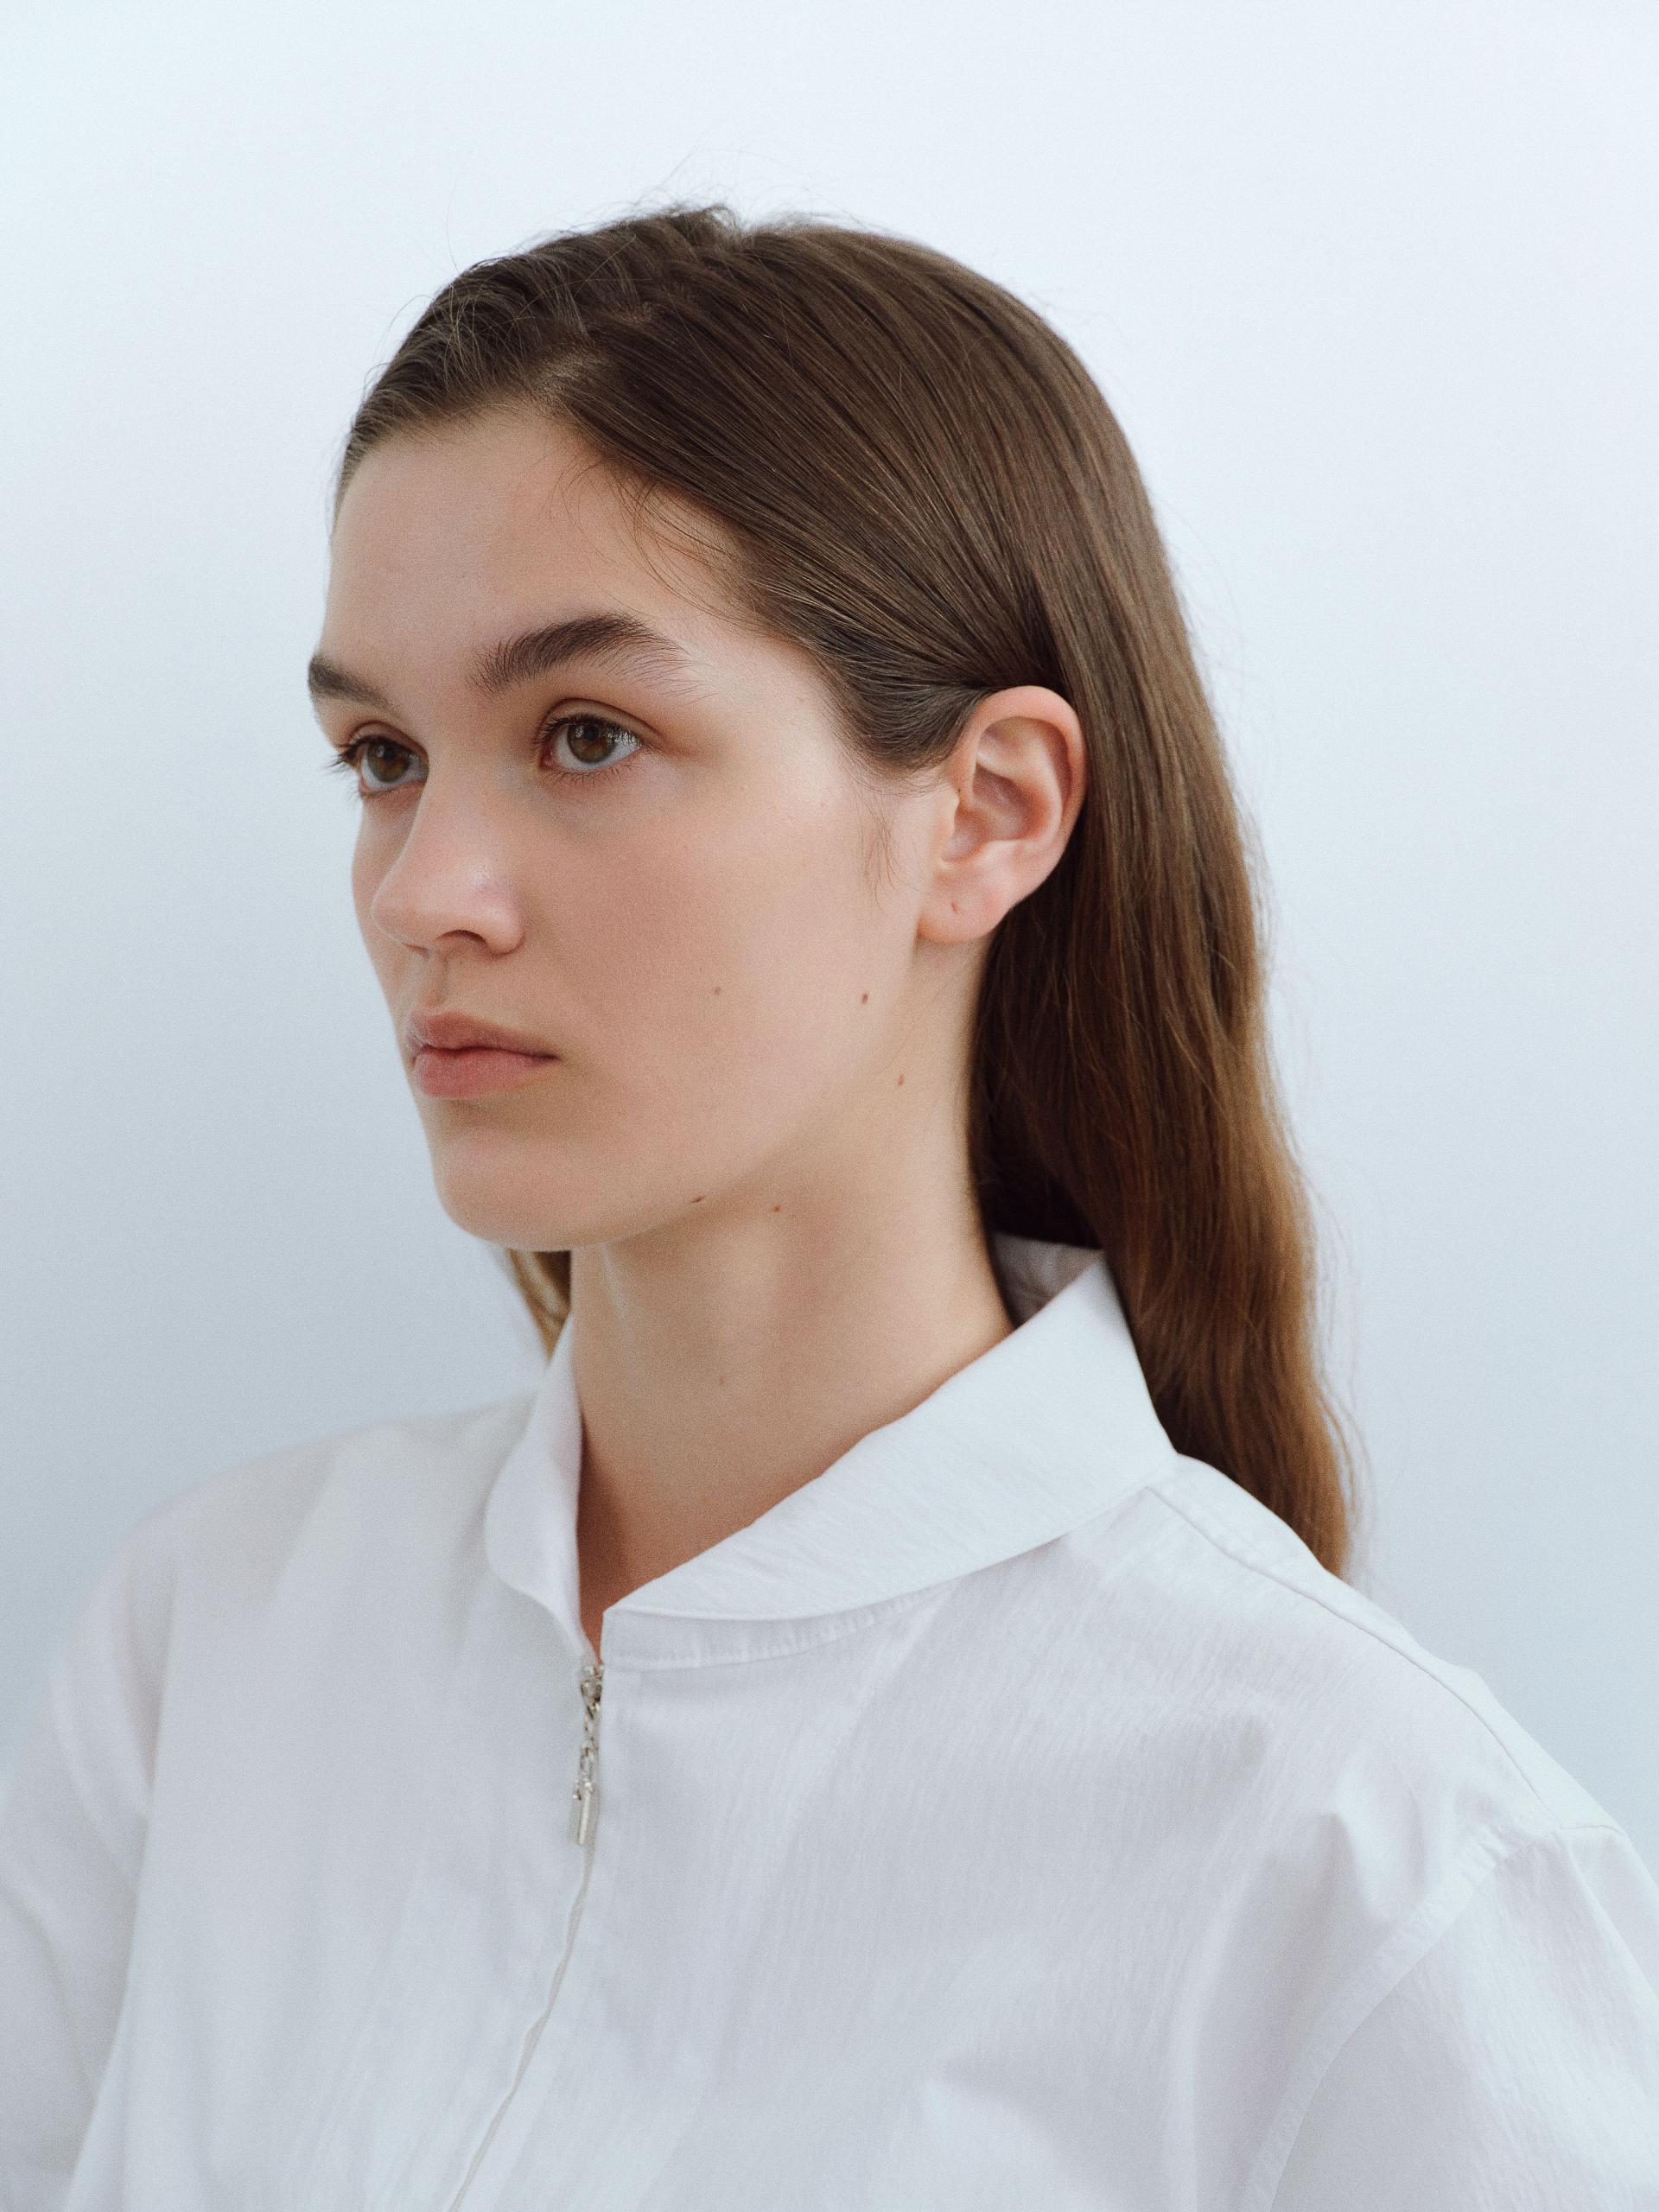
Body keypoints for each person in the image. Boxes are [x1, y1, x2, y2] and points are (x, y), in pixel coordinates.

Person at [3, 201, 1656, 2209]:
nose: (426, 889)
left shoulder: (1374, 1869)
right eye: (382, 755)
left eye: (586, 736)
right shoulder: (215, 1639)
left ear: (987, 812)